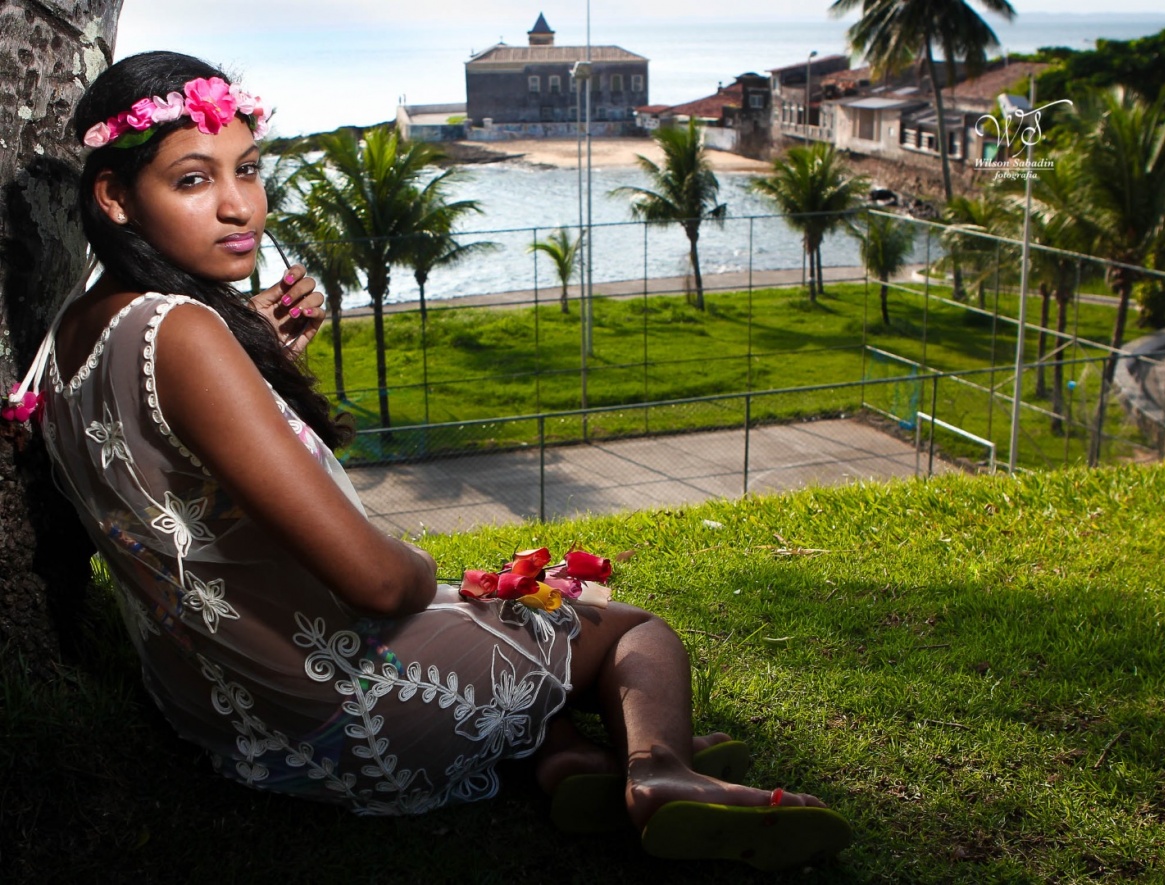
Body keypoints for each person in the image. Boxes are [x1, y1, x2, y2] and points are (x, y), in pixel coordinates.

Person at [8, 51, 850, 870]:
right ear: (115, 197)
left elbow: (185, 486)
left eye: (249, 169)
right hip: (350, 720)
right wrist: (431, 574)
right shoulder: (184, 332)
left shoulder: (70, 336)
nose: (239, 207)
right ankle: (663, 771)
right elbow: (379, 585)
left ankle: (564, 758)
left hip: (229, 722)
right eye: (194, 179)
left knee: (499, 619)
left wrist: (260, 351)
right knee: (627, 625)